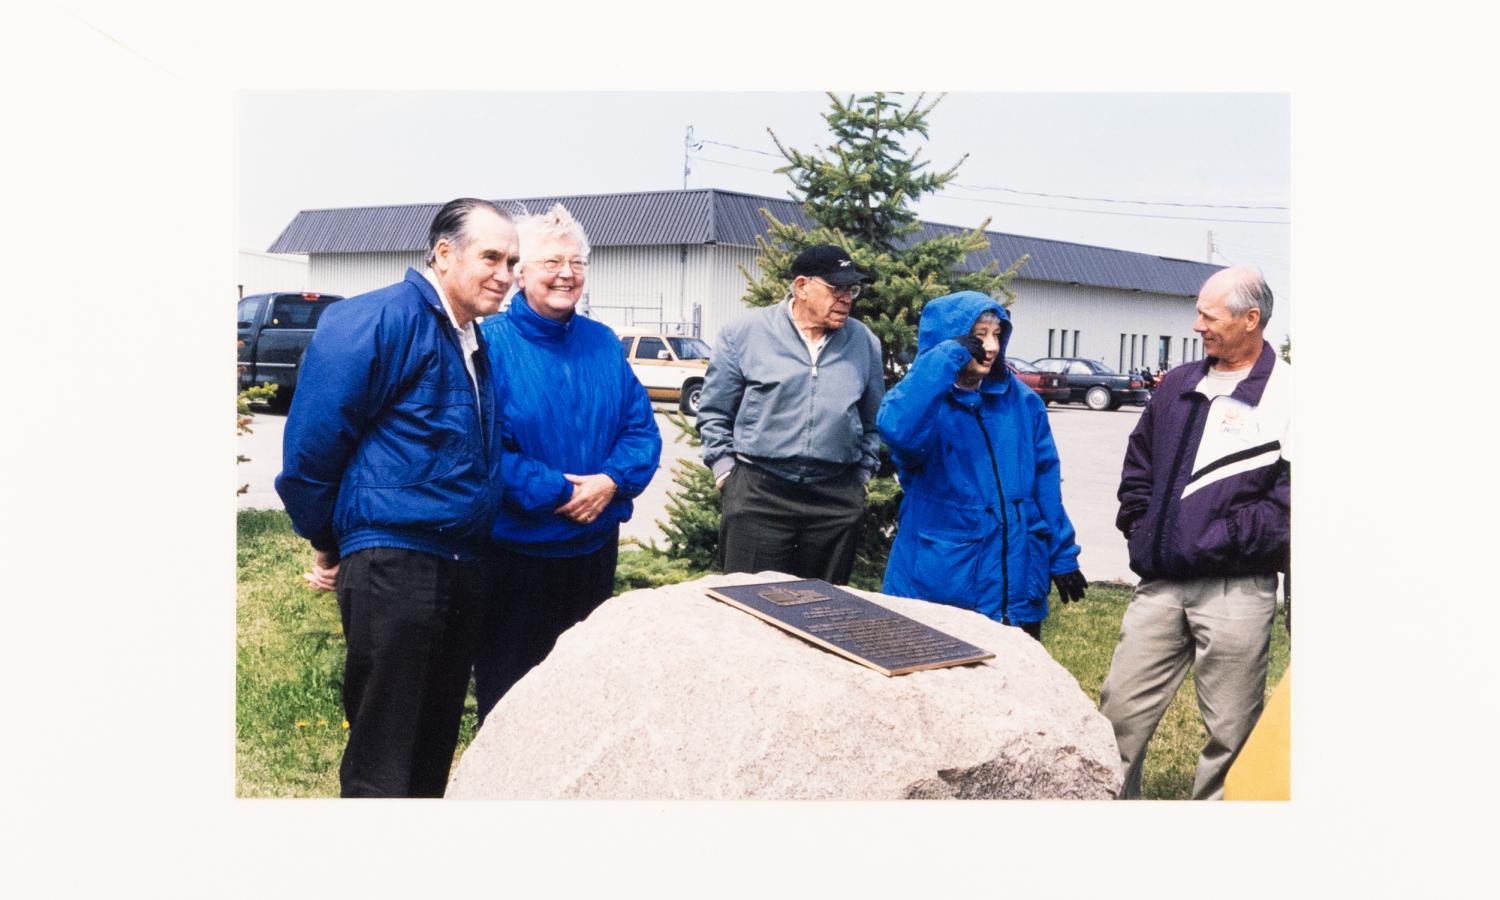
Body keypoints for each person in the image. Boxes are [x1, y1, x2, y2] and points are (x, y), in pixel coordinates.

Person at [275, 198, 518, 797]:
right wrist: (328, 543)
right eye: (491, 256)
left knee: (431, 749)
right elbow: (311, 449)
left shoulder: (470, 338)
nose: (506, 273)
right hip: (396, 567)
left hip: (459, 564)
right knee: (384, 758)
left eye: (512, 260)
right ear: (443, 253)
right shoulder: (379, 318)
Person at [1098, 266, 1291, 800]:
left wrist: (1219, 537)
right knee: (1118, 715)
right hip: (1161, 583)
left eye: (1208, 315)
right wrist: (1140, 526)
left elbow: (1294, 504)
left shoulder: (1291, 394)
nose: (1197, 324)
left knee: (1230, 734)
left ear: (1251, 319)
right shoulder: (1181, 382)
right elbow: (1139, 462)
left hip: (1237, 590)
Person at [473, 203, 661, 722]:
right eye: (552, 262)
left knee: (579, 694)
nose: (566, 274)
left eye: (577, 262)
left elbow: (640, 430)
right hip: (516, 558)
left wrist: (610, 481)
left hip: (592, 552)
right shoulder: (489, 346)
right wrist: (560, 492)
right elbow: (483, 449)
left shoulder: (602, 343)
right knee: (510, 693)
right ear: (520, 273)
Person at [877, 291, 1087, 641]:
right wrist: (946, 355)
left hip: (1017, 587)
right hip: (945, 584)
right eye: (978, 337)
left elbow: (1045, 487)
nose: (990, 347)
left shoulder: (1022, 403)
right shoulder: (925, 405)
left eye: (997, 335)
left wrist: (1062, 555)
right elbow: (897, 430)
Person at [696, 244, 885, 584]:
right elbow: (713, 411)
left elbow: (873, 421)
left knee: (822, 612)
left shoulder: (864, 342)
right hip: (759, 493)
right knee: (750, 609)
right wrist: (726, 472)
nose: (846, 298)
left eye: (852, 289)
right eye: (836, 288)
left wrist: (861, 479)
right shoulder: (744, 333)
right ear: (801, 287)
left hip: (834, 499)